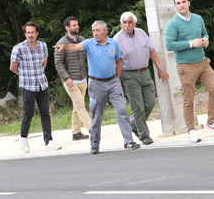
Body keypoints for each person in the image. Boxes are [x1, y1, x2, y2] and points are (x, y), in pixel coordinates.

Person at [54, 21, 138, 154]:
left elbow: (118, 61)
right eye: (93, 31)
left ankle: (128, 141)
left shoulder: (114, 43)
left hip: (113, 82)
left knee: (122, 109)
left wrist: (118, 78)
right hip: (96, 83)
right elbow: (75, 47)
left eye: (98, 30)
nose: (95, 33)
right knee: (96, 115)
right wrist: (63, 47)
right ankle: (94, 144)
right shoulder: (89, 43)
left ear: (105, 31)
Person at [164, 0, 214, 143]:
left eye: (183, 2)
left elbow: (205, 33)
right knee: (188, 100)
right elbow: (169, 45)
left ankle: (212, 122)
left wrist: (206, 39)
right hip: (185, 66)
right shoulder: (173, 24)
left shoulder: (198, 18)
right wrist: (190, 43)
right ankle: (191, 130)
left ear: (189, 3)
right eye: (178, 3)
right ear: (175, 6)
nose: (181, 5)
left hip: (203, 62)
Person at [113, 11, 170, 145]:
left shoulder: (141, 33)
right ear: (121, 24)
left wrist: (160, 69)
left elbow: (152, 51)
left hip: (145, 72)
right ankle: (144, 135)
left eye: (129, 22)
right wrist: (118, 79)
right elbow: (115, 62)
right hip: (129, 75)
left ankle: (134, 124)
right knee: (137, 107)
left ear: (134, 23)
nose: (127, 25)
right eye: (124, 22)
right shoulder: (116, 39)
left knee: (150, 103)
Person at [10, 21, 61, 153]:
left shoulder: (43, 46)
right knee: (29, 113)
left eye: (33, 32)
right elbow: (13, 67)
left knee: (45, 113)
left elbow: (44, 63)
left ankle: (49, 141)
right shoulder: (18, 48)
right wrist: (25, 75)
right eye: (28, 33)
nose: (30, 35)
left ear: (37, 33)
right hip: (27, 85)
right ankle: (23, 138)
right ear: (25, 34)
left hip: (42, 84)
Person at [54, 16, 92, 140]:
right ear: (67, 27)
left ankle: (76, 133)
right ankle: (92, 129)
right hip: (71, 81)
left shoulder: (82, 41)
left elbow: (88, 58)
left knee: (77, 106)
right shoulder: (61, 43)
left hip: (83, 79)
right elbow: (58, 63)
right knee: (80, 105)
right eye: (74, 25)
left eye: (77, 24)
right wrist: (66, 78)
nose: (77, 26)